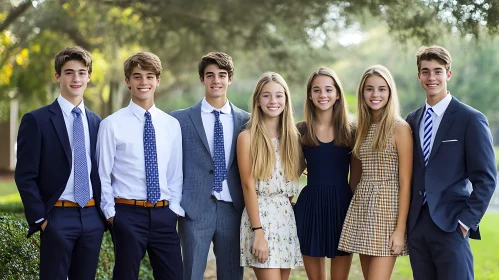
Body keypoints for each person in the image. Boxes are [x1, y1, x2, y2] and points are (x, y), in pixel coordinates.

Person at [406, 45, 497, 280]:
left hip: (452, 224)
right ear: (418, 76)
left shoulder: (471, 119)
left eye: (438, 71)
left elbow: (486, 178)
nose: (431, 77)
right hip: (417, 225)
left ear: (448, 74)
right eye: (425, 71)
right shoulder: (412, 120)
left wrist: (466, 222)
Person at [15, 46, 105, 279]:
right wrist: (41, 220)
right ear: (58, 76)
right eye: (69, 72)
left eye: (82, 72)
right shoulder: (37, 120)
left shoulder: (97, 123)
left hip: (91, 217)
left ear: (89, 76)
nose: (76, 78)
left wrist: (100, 218)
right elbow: (25, 175)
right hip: (57, 216)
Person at [97, 52, 184, 279]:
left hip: (164, 215)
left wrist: (173, 209)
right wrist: (111, 214)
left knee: (173, 275)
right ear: (128, 81)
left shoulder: (171, 125)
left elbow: (175, 173)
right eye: (137, 76)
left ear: (158, 81)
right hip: (127, 214)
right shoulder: (111, 125)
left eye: (149, 76)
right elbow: (102, 174)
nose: (143, 82)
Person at [171, 52, 250, 280]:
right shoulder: (180, 119)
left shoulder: (246, 121)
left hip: (233, 209)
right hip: (194, 209)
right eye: (210, 75)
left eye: (222, 75)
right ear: (202, 79)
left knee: (232, 274)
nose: (216, 80)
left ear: (230, 79)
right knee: (191, 274)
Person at [338, 65, 413, 279]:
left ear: (390, 92)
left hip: (388, 210)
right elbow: (356, 176)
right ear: (362, 92)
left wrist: (400, 230)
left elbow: (406, 182)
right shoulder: (360, 127)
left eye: (382, 89)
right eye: (369, 89)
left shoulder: (400, 128)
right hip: (362, 206)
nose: (375, 94)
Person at [294, 67, 360, 280]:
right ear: (310, 95)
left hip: (342, 208)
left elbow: (356, 176)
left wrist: (348, 206)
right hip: (310, 207)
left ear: (338, 93)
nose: (323, 95)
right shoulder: (300, 130)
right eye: (317, 90)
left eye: (328, 89)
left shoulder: (352, 130)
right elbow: (291, 172)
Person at [238, 72, 302, 280]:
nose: (273, 101)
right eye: (266, 95)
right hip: (261, 219)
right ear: (257, 100)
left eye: (278, 95)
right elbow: (247, 186)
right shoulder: (247, 138)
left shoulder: (293, 139)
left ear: (286, 99)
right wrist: (258, 232)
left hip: (285, 218)